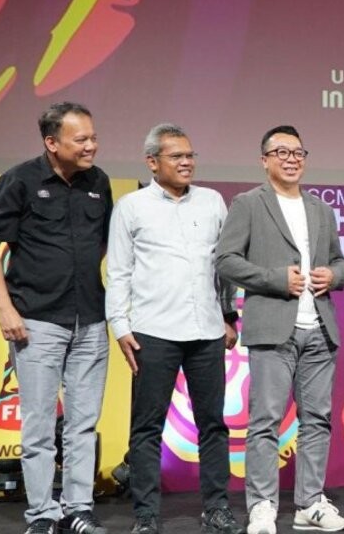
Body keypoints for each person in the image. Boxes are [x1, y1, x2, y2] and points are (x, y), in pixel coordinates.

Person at [0, 102, 112, 534]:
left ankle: (78, 510)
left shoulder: (99, 182)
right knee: (38, 425)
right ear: (52, 143)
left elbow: (100, 243)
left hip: (91, 320)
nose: (91, 146)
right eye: (81, 139)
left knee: (82, 424)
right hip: (36, 321)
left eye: (93, 137)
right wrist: (5, 309)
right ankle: (42, 515)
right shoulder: (18, 180)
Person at [105, 124, 244, 534]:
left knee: (213, 424)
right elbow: (118, 271)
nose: (186, 163)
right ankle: (146, 515)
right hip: (153, 332)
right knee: (147, 428)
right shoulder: (131, 207)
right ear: (152, 162)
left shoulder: (212, 201)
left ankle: (216, 508)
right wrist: (120, 326)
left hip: (206, 331)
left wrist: (229, 316)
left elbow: (224, 266)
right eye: (176, 156)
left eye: (190, 155)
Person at [215, 126, 344, 534]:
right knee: (265, 421)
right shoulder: (248, 203)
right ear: (264, 160)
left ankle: (310, 503)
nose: (291, 159)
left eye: (298, 152)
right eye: (281, 152)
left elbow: (341, 263)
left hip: (319, 329)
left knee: (318, 420)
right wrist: (276, 279)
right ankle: (262, 506)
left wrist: (334, 276)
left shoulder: (320, 208)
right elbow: (226, 260)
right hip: (273, 329)